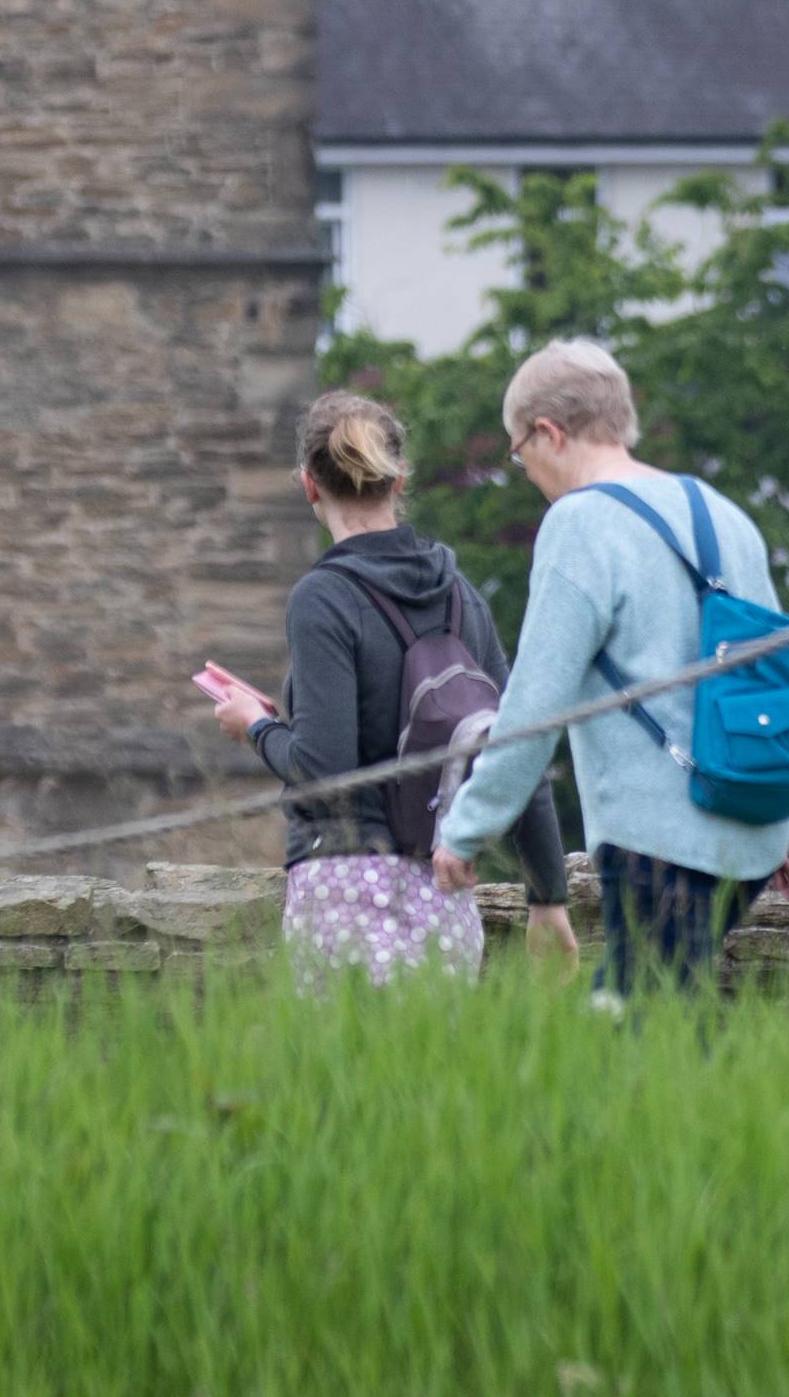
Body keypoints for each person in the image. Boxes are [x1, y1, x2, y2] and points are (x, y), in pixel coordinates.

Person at [425, 337, 789, 995]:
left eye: (518, 450)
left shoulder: (580, 522)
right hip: (754, 831)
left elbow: (535, 702)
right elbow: (788, 675)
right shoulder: (724, 514)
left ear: (549, 432)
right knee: (661, 1020)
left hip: (658, 840)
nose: (523, 469)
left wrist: (467, 828)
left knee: (633, 1025)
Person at [198, 390, 574, 981]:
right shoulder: (460, 595)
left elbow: (327, 772)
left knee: (345, 1074)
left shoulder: (323, 599)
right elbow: (516, 747)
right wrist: (548, 895)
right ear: (400, 480)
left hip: (343, 890)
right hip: (444, 892)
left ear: (308, 486)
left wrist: (257, 726)